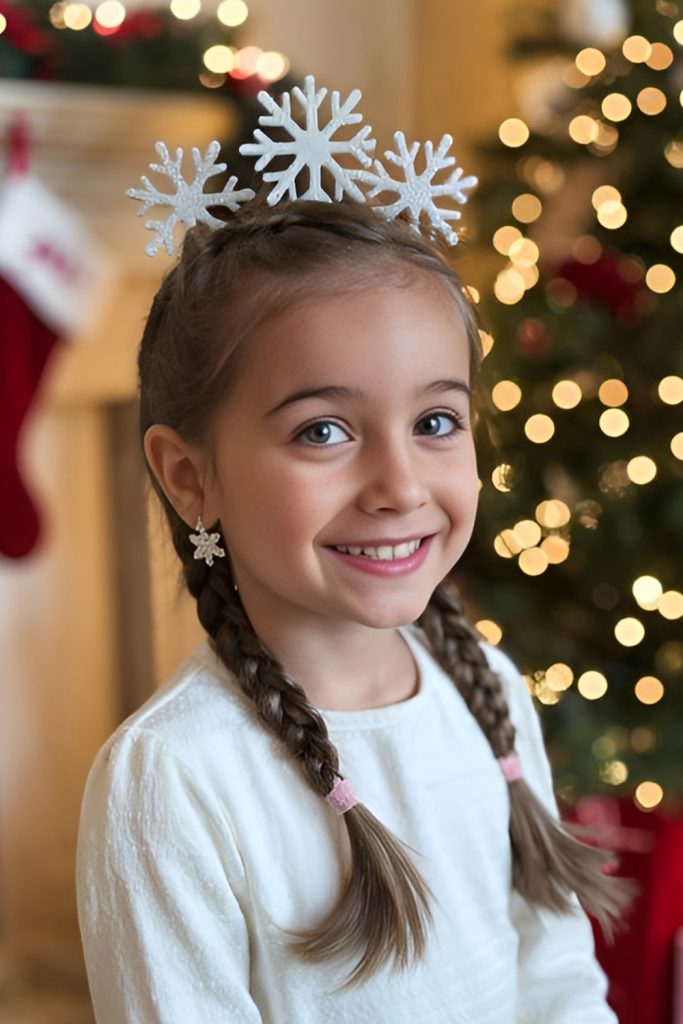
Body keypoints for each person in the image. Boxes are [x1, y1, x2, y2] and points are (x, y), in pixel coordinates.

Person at [77, 88, 629, 1023]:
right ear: (189, 477)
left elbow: (559, 981)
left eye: (436, 421)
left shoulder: (484, 688)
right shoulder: (171, 778)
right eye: (324, 429)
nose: (401, 485)